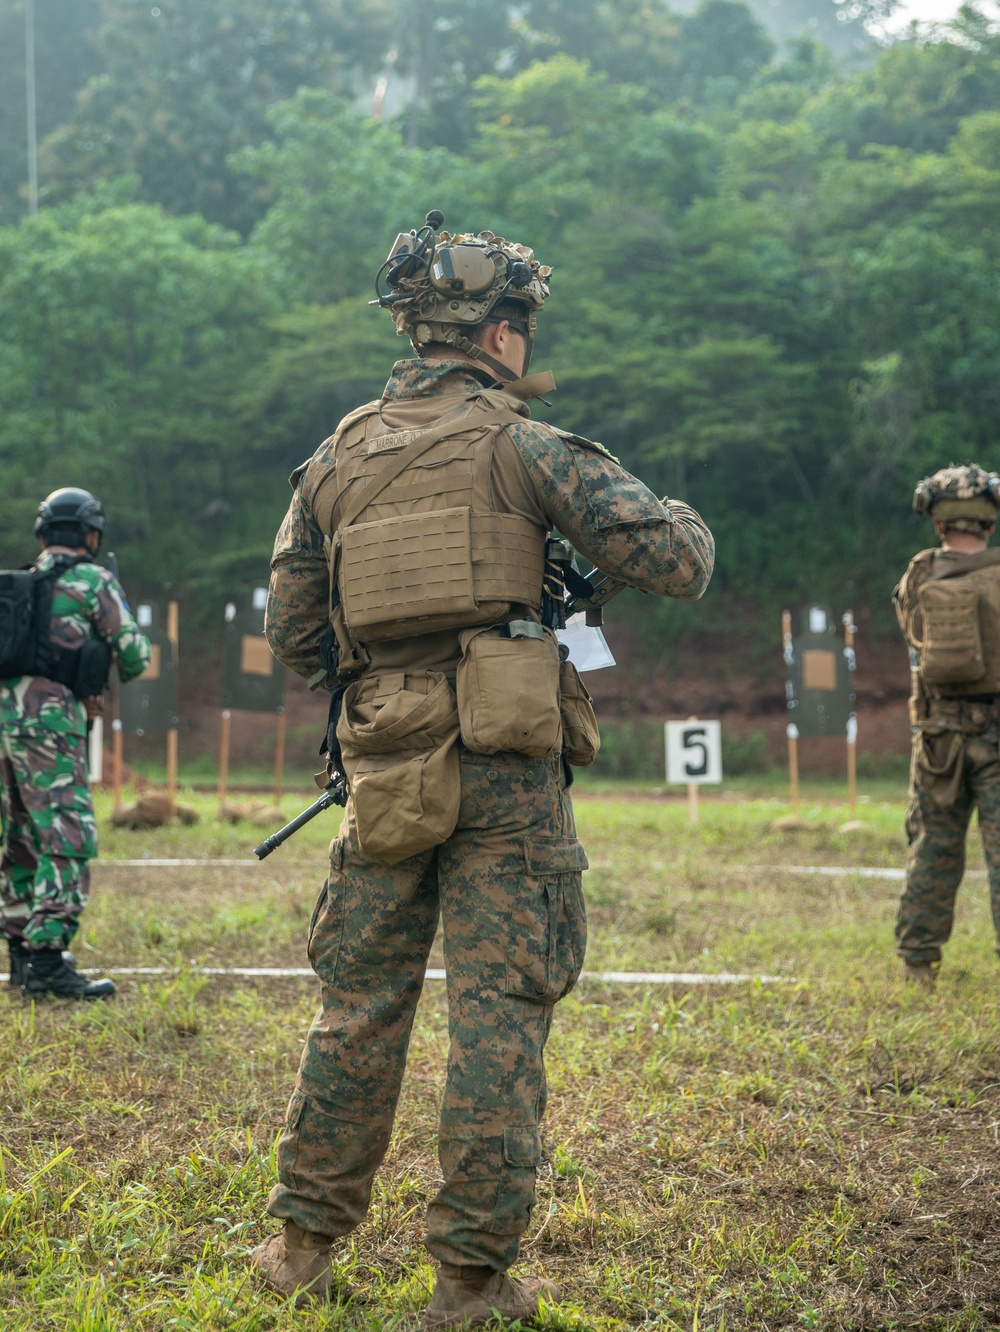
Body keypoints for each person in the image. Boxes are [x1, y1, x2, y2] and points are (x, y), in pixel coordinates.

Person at [252, 213, 715, 1325]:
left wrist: (393, 670)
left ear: (411, 328)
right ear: (501, 337)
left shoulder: (332, 461)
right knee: (499, 1011)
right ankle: (469, 1282)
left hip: (383, 759)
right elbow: (673, 562)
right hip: (505, 764)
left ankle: (301, 1247)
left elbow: (297, 634)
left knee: (358, 1002)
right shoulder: (526, 446)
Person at [1, 487, 151, 999]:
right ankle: (47, 962)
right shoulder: (93, 581)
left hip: (5, 725)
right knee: (67, 834)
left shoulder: (19, 583)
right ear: (90, 533)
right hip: (51, 726)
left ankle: (20, 955)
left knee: (20, 835)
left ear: (43, 534)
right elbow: (134, 656)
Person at [893, 463, 1000, 987]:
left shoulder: (921, 571)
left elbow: (912, 633)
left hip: (940, 736)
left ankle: (918, 963)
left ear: (937, 523)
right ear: (991, 523)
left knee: (934, 846)